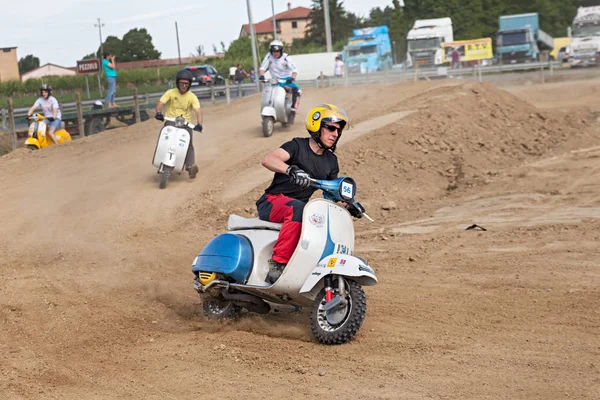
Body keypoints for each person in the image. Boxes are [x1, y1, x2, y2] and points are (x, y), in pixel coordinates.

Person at [256, 104, 352, 284]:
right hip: (272, 201)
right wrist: (290, 170)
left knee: (320, 219)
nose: (335, 134)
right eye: (331, 128)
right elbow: (268, 159)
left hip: (301, 210)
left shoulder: (331, 161)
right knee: (299, 209)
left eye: (338, 130)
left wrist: (347, 204)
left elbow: (330, 194)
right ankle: (277, 264)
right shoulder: (296, 146)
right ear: (316, 126)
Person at [154, 70, 203, 179]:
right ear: (177, 83)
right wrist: (158, 112)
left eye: (186, 84)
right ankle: (160, 160)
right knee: (163, 139)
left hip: (186, 124)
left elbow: (198, 111)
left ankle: (190, 166)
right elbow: (160, 103)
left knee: (189, 145)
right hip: (171, 121)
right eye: (182, 83)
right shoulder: (170, 93)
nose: (184, 86)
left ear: (189, 84)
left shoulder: (192, 97)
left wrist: (199, 124)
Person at [259, 39, 301, 114]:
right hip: (275, 81)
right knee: (268, 92)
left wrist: (292, 78)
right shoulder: (269, 56)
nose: (275, 53)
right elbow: (262, 68)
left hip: (286, 80)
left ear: (281, 51)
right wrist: (262, 76)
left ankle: (293, 109)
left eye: (277, 51)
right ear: (271, 51)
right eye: (274, 51)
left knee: (297, 91)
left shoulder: (286, 58)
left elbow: (294, 69)